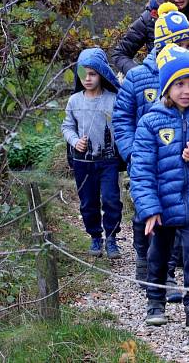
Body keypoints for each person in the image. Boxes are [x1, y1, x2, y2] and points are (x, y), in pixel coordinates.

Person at [129, 44, 189, 332]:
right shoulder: (150, 122)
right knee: (158, 257)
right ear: (167, 87)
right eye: (180, 84)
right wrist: (148, 209)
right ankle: (155, 303)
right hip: (161, 207)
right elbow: (141, 170)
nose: (187, 90)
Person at [112, 2, 189, 300]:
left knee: (170, 216)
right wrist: (132, 153)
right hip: (145, 160)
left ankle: (166, 276)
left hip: (176, 162)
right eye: (182, 44)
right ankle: (143, 262)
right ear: (165, 44)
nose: (187, 50)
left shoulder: (188, 78)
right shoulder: (137, 77)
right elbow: (122, 119)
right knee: (144, 213)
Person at [61, 48, 123, 259]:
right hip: (82, 162)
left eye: (92, 74)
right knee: (88, 202)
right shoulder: (74, 101)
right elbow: (67, 127)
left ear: (102, 74)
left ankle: (112, 238)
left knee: (111, 199)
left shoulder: (114, 99)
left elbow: (123, 125)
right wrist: (76, 141)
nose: (87, 79)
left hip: (108, 161)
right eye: (83, 74)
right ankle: (95, 236)